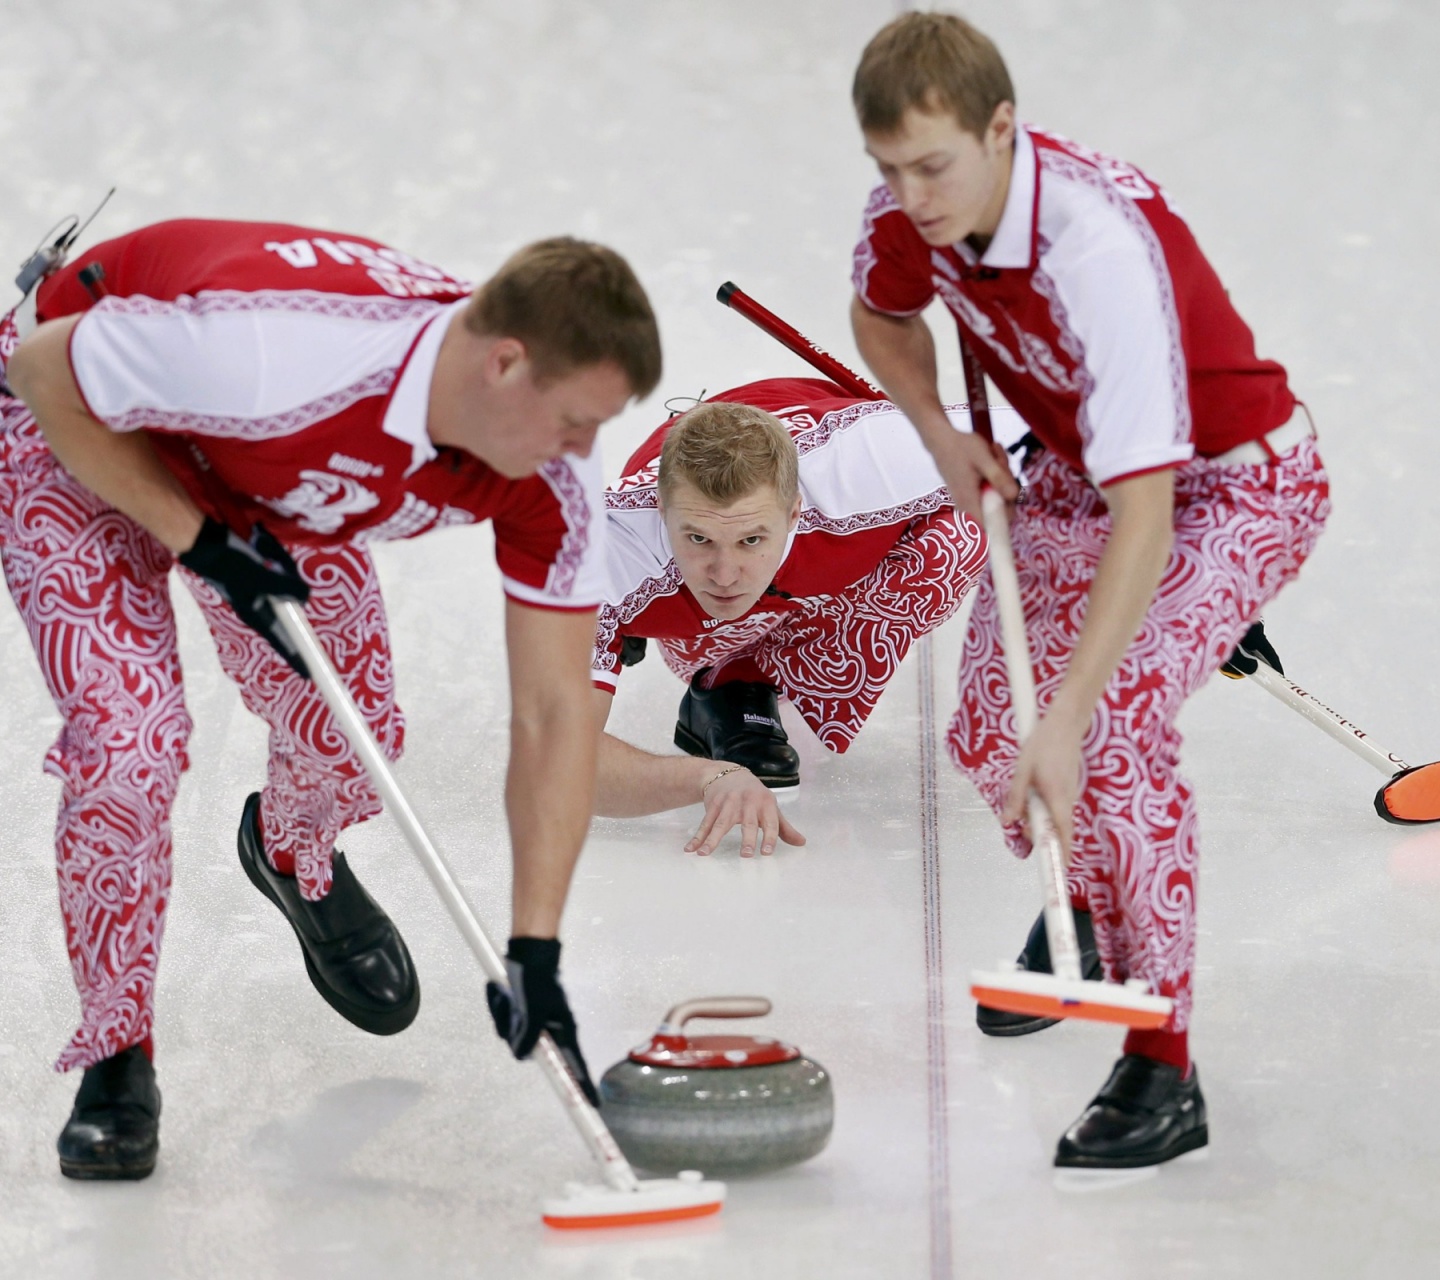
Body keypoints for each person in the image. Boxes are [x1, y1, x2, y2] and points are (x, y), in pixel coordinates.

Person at [1, 217, 659, 1179]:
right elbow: (49, 369)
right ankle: (116, 1052)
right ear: (505, 364)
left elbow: (555, 712)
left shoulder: (549, 473)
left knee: (352, 729)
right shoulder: (282, 350)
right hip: (71, 425)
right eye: (574, 421)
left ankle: (291, 850)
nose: (584, 449)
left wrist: (537, 947)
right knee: (131, 744)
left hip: (267, 471)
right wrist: (200, 540)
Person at [848, 12, 1330, 1169]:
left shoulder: (1095, 246)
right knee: (986, 724)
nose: (910, 194)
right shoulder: (910, 205)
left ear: (1001, 130)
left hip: (1230, 488)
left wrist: (1073, 712)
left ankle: (1165, 1071)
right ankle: (1097, 917)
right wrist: (935, 422)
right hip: (1075, 469)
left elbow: (1152, 515)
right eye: (889, 168)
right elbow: (881, 307)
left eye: (934, 166)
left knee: (1102, 734)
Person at [592, 377, 990, 855]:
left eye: (751, 540)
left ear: (795, 512)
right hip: (673, 608)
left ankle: (743, 683)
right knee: (627, 610)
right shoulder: (600, 562)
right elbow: (555, 763)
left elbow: (1073, 450)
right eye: (698, 538)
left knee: (969, 530)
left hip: (843, 508)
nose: (724, 574)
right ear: (661, 512)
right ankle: (648, 634)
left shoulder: (874, 470)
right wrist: (708, 776)